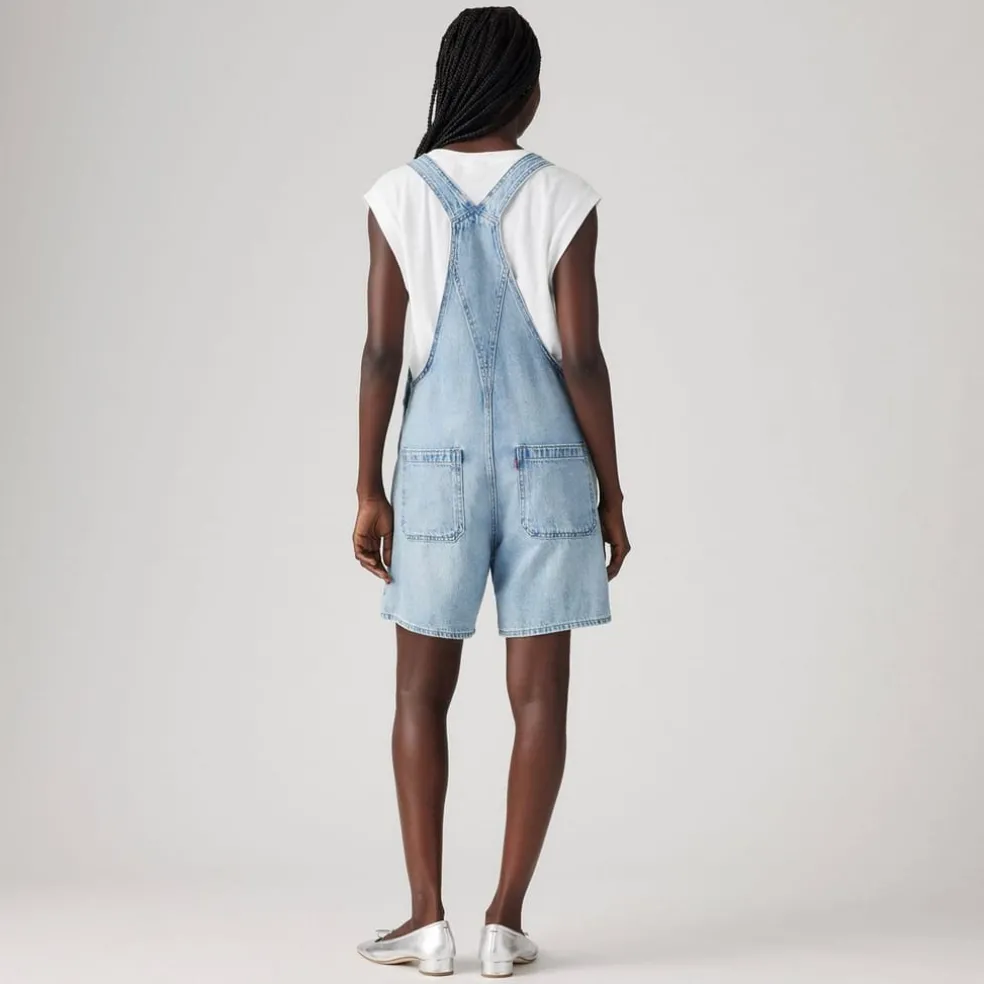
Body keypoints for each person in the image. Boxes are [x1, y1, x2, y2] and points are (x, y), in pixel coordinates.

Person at [353, 6, 629, 977]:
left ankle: (426, 920)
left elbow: (381, 351)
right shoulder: (564, 195)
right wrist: (613, 491)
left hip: (433, 467)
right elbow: (582, 358)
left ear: (450, 83)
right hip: (549, 463)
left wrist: (367, 486)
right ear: (529, 90)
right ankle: (505, 919)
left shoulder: (397, 194)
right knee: (539, 695)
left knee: (418, 693)